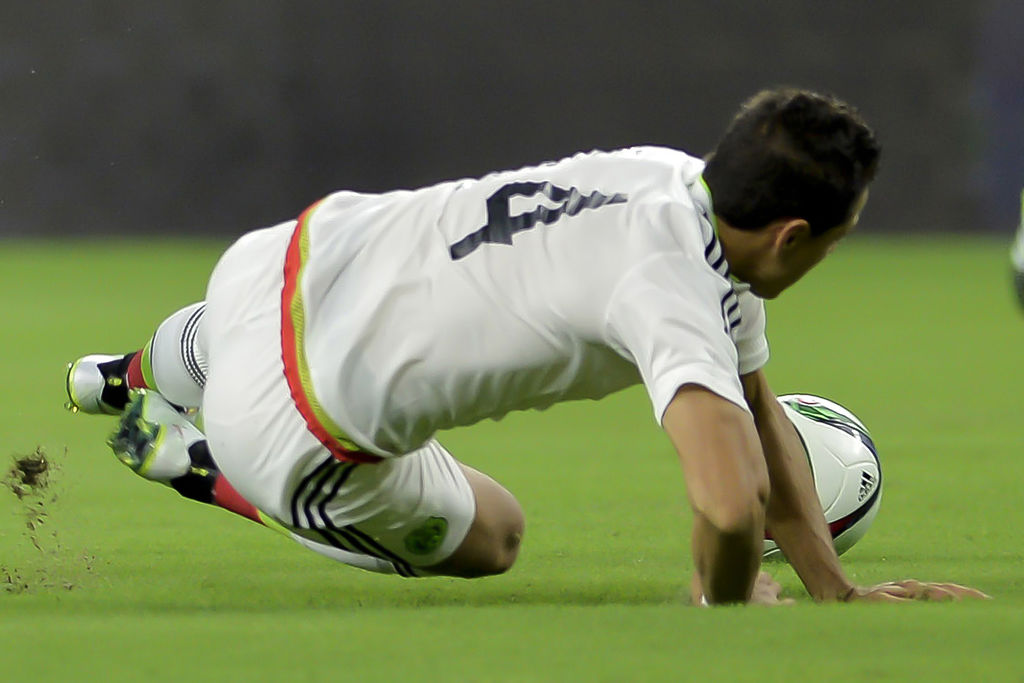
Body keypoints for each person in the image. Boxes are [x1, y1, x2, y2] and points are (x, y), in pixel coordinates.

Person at [65, 88, 988, 605]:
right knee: (497, 534)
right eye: (834, 241)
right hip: (290, 428)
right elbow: (728, 502)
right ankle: (203, 465)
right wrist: (729, 599)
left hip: (279, 262)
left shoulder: (674, 178)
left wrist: (836, 589)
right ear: (791, 236)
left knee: (262, 316)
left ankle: (123, 374)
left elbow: (757, 409)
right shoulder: (669, 288)